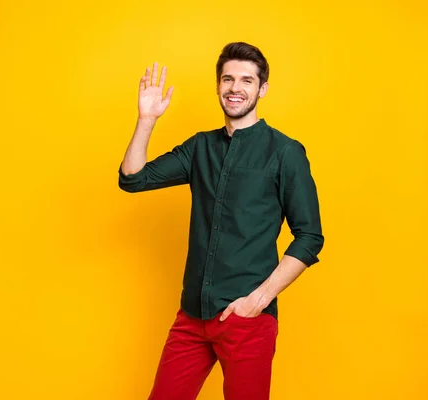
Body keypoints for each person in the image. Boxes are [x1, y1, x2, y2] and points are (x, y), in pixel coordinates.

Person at [118, 42, 324, 400]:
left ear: (262, 89)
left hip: (248, 319)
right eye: (228, 79)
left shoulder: (285, 152)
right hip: (193, 316)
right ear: (217, 86)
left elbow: (309, 236)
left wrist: (258, 300)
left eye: (247, 80)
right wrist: (146, 120)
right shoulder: (200, 148)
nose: (235, 88)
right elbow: (133, 179)